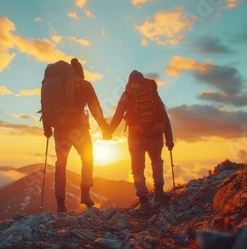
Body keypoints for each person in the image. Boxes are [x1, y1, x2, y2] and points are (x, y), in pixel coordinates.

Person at [43, 58, 109, 213]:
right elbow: (95, 109)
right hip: (79, 130)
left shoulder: (55, 86)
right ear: (79, 72)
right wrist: (104, 127)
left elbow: (46, 106)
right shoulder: (84, 85)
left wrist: (47, 128)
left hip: (60, 130)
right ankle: (85, 194)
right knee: (87, 158)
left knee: (61, 164)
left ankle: (60, 203)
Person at [107, 70, 174, 214]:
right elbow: (164, 117)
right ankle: (159, 193)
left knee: (137, 169)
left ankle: (144, 202)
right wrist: (169, 139)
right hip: (155, 135)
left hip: (136, 136)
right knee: (156, 161)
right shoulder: (153, 93)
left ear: (129, 82)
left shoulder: (127, 94)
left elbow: (118, 114)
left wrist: (109, 131)